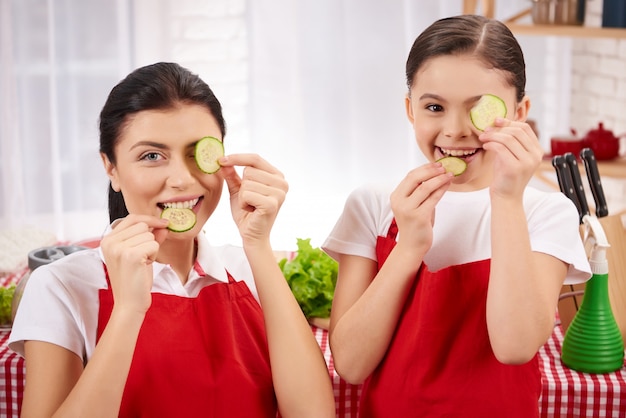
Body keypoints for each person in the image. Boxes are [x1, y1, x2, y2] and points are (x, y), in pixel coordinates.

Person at [9, 62, 335, 418]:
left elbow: (313, 414)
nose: (181, 179)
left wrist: (257, 244)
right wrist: (129, 310)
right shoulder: (59, 286)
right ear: (111, 168)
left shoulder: (249, 269)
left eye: (199, 153)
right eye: (152, 156)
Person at [322, 15, 591, 418]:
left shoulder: (547, 212)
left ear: (520, 113)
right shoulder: (374, 205)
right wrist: (409, 245)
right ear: (410, 109)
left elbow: (515, 346)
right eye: (434, 107)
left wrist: (506, 198)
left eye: (480, 110)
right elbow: (351, 364)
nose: (456, 130)